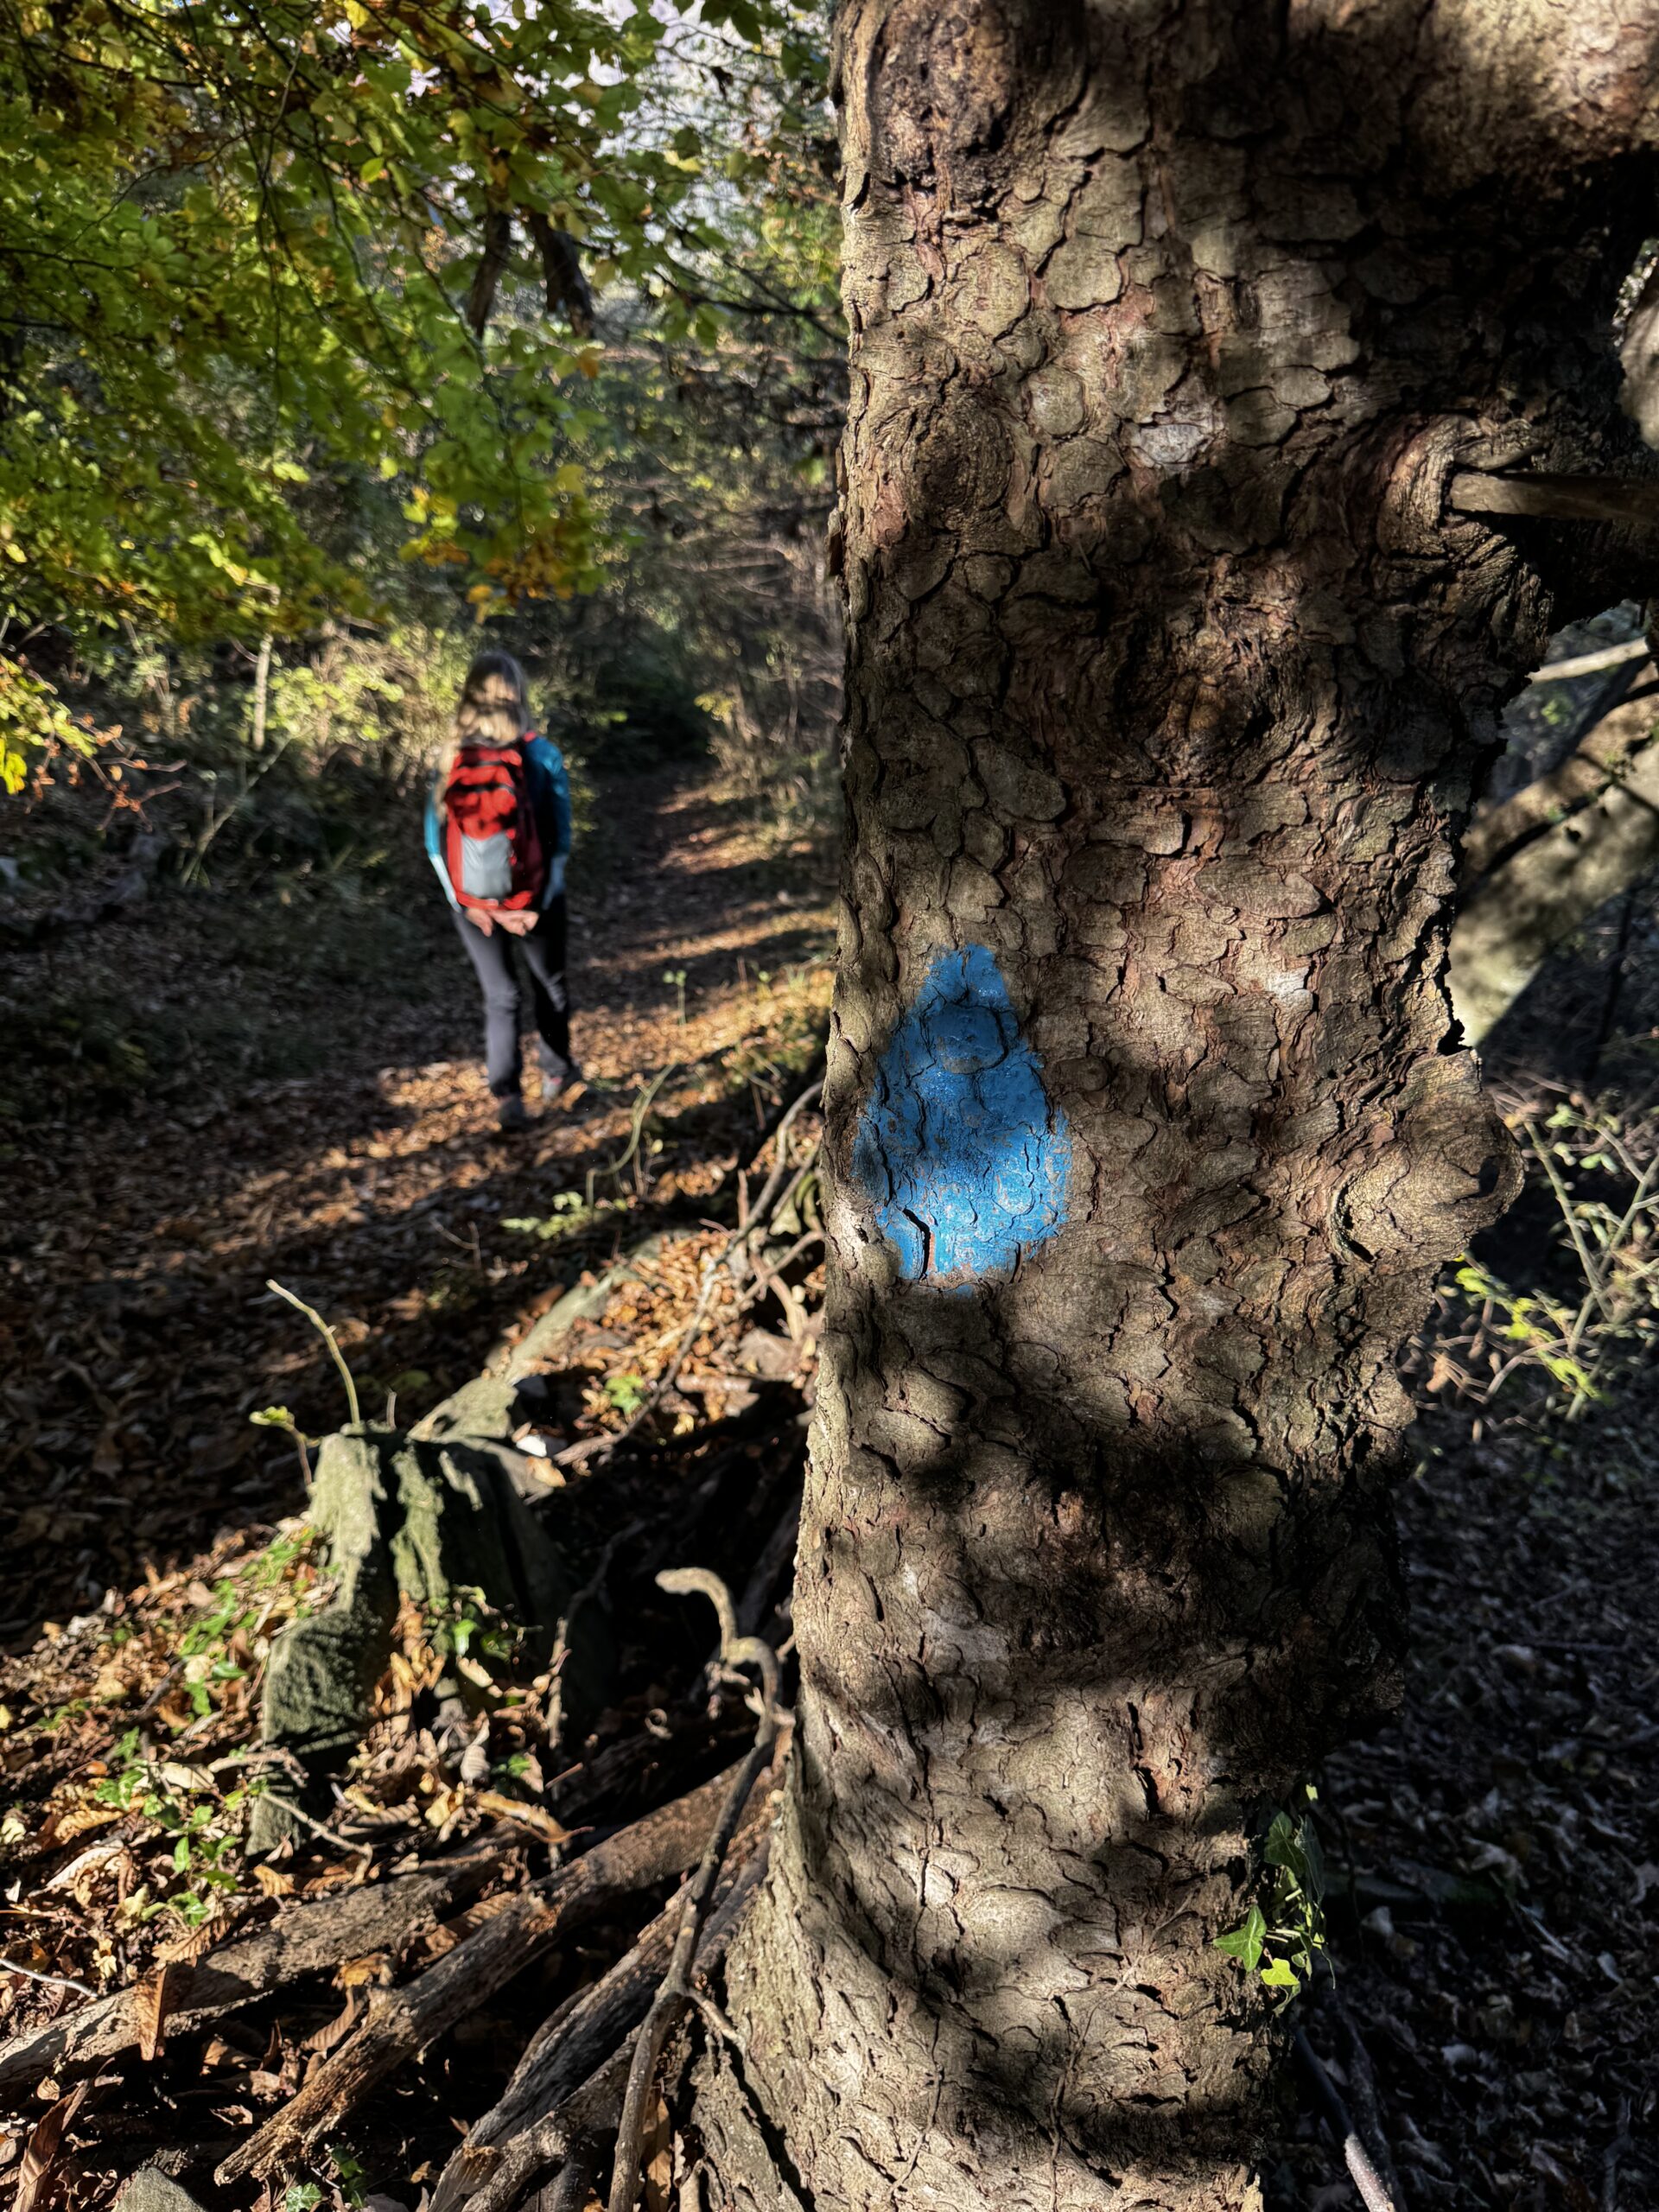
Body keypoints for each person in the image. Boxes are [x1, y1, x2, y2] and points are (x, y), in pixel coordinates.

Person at [425, 649, 579, 1130]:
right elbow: (561, 834)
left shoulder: (451, 755)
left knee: (501, 996)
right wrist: (542, 897)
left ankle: (508, 1097)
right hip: (535, 900)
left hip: (469, 903)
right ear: (519, 693)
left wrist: (464, 902)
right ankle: (555, 1076)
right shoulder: (540, 752)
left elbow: (434, 839)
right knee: (548, 984)